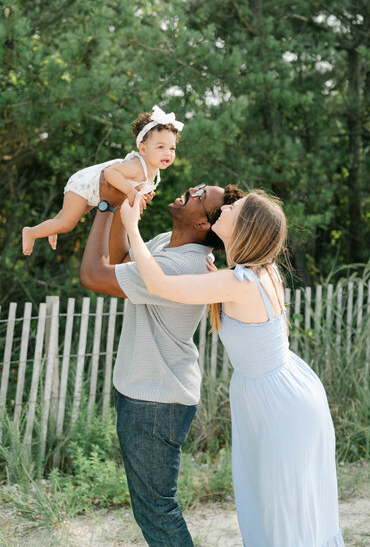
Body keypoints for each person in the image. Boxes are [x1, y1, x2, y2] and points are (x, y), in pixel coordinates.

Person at [119, 189, 345, 547]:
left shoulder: (237, 281)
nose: (225, 207)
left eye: (233, 208)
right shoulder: (259, 271)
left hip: (277, 403)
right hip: (284, 389)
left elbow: (158, 283)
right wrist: (220, 276)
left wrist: (131, 226)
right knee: (281, 503)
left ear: (245, 227)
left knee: (280, 506)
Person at [79, 179, 245, 547]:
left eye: (201, 196)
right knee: (152, 509)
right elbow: (121, 260)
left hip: (156, 402)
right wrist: (128, 210)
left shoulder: (182, 266)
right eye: (200, 186)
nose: (193, 189)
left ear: (204, 224)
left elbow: (93, 275)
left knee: (157, 512)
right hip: (146, 393)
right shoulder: (164, 245)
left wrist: (107, 207)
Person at [22, 105, 182, 255]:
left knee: (69, 216)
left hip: (96, 192)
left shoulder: (153, 173)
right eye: (160, 147)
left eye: (172, 148)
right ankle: (31, 232)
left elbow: (133, 190)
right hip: (85, 184)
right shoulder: (137, 166)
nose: (167, 153)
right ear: (143, 148)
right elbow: (110, 173)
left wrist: (138, 196)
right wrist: (130, 191)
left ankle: (53, 227)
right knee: (67, 223)